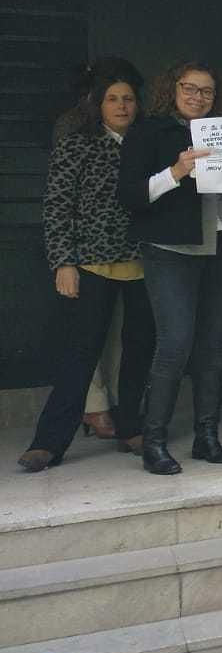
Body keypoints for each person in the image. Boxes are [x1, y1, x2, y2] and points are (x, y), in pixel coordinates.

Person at [19, 60, 154, 472]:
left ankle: (131, 426)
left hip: (144, 260)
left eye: (128, 99)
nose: (122, 106)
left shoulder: (149, 144)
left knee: (138, 350)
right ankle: (49, 441)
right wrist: (64, 262)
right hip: (91, 261)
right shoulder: (77, 144)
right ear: (98, 104)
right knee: (80, 353)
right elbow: (57, 207)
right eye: (112, 99)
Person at [116, 61, 222, 475]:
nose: (198, 97)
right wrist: (176, 172)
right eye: (189, 88)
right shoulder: (148, 130)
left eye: (206, 91)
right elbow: (129, 195)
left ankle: (206, 436)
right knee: (174, 344)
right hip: (170, 249)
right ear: (172, 89)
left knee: (212, 346)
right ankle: (153, 442)